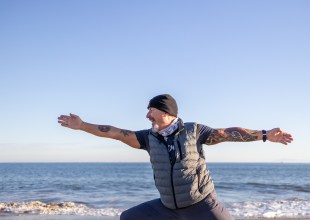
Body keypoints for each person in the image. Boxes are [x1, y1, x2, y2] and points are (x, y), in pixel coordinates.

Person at [58, 94, 293, 220]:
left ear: (166, 111)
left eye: (151, 109)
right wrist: (82, 125)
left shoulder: (194, 131)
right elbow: (116, 133)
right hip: (168, 207)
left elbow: (228, 133)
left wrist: (264, 135)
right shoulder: (148, 138)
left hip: (202, 204)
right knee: (129, 217)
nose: (147, 114)